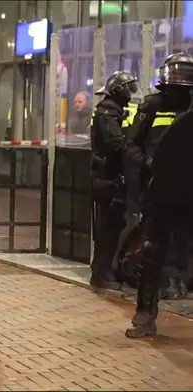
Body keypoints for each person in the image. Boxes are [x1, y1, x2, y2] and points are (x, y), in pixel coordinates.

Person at [124, 53, 193, 338]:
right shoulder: (151, 105)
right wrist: (149, 164)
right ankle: (144, 313)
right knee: (152, 251)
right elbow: (131, 145)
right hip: (159, 190)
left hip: (189, 190)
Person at [89, 71, 140, 291]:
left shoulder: (112, 111)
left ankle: (104, 270)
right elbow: (114, 145)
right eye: (128, 88)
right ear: (119, 90)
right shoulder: (108, 112)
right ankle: (101, 273)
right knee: (108, 227)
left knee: (112, 225)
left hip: (109, 177)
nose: (131, 93)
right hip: (108, 178)